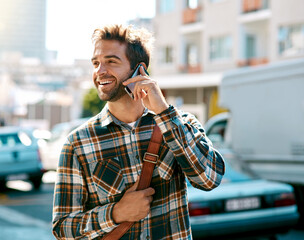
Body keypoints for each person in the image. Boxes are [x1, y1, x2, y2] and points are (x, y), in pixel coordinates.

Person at [52, 24, 225, 240]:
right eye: (96, 63)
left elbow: (209, 179)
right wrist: (115, 213)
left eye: (111, 61)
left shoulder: (182, 124)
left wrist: (163, 112)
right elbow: (62, 229)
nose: (100, 71)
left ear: (139, 70)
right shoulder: (77, 143)